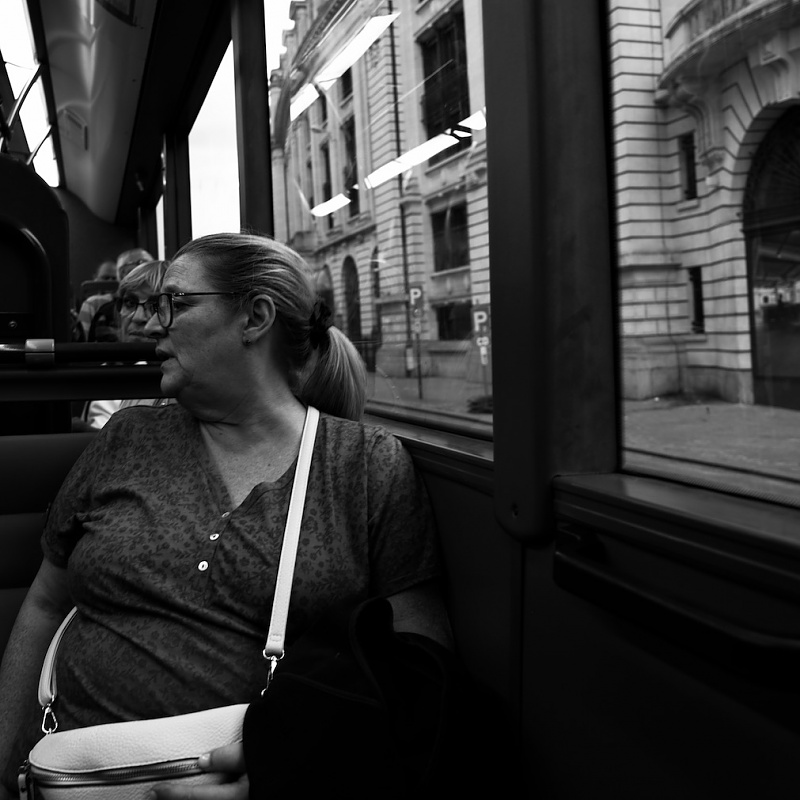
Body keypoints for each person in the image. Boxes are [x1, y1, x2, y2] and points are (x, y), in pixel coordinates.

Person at [0, 232, 449, 797]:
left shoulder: (363, 466)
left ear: (254, 318)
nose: (152, 324)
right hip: (72, 773)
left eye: (175, 303)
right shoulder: (126, 439)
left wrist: (293, 776)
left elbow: (420, 668)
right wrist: (4, 765)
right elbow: (46, 604)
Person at [77, 259, 171, 430]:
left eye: (155, 306)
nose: (138, 317)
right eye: (130, 303)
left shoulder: (186, 376)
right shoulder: (109, 373)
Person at [77, 248, 154, 339]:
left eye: (149, 268)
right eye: (137, 266)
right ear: (121, 274)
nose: (143, 274)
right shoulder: (101, 308)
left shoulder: (162, 303)